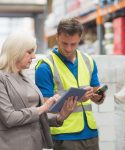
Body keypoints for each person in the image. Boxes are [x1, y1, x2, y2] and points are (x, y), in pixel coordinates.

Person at [35, 18, 106, 150]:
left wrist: (99, 96)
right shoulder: (45, 67)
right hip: (64, 136)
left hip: (90, 133)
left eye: (73, 44)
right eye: (64, 43)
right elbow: (46, 109)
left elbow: (98, 96)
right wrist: (79, 98)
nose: (68, 48)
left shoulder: (88, 61)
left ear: (80, 38)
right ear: (57, 37)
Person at [0, 32, 77, 150]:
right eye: (29, 52)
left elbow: (37, 116)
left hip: (34, 144)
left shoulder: (25, 78)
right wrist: (43, 108)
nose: (34, 57)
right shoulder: (2, 78)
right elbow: (9, 118)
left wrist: (61, 116)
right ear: (15, 52)